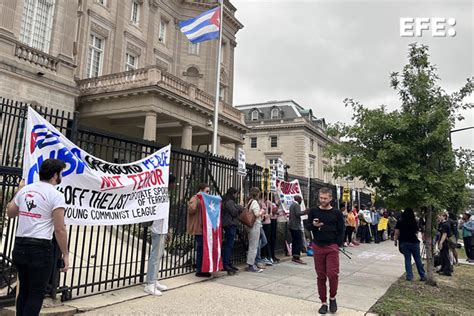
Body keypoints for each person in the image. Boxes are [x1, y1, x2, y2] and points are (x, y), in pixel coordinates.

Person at [6, 159, 69, 316]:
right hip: (40, 249)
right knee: (35, 294)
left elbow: (10, 212)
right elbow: (59, 229)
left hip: (20, 246)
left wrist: (18, 192)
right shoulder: (56, 195)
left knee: (24, 291)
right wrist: (65, 254)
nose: (61, 176)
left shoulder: (26, 190)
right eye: (61, 173)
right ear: (55, 175)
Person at [306, 187, 344, 314]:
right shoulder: (313, 211)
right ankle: (323, 302)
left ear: (330, 198)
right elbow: (308, 226)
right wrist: (314, 226)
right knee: (321, 276)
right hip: (318, 246)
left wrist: (337, 244)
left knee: (332, 274)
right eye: (321, 198)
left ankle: (332, 297)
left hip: (332, 246)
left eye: (325, 198)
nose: (322, 200)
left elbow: (341, 229)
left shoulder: (337, 213)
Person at [144, 174, 176, 295]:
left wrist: (167, 230)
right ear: (169, 183)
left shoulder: (165, 195)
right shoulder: (160, 194)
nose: (174, 186)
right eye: (173, 183)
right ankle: (150, 283)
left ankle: (153, 279)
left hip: (162, 229)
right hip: (157, 229)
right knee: (155, 257)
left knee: (158, 256)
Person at [393, 208, 426, 281]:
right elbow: (417, 231)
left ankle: (409, 276)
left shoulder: (400, 221)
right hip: (414, 242)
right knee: (417, 259)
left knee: (407, 259)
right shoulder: (414, 221)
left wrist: (395, 240)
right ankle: (422, 275)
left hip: (404, 242)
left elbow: (397, 232)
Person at [187, 183, 211, 277]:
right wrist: (198, 197)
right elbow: (191, 209)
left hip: (205, 228)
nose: (208, 193)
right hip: (199, 228)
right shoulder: (195, 198)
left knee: (204, 249)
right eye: (207, 191)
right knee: (201, 248)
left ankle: (203, 268)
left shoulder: (206, 199)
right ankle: (199, 269)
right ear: (201, 190)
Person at [221, 187, 242, 274]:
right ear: (233, 193)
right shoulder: (229, 202)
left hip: (230, 224)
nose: (237, 195)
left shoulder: (228, 201)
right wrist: (239, 207)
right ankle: (226, 263)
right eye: (236, 194)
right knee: (229, 245)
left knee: (229, 244)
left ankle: (228, 262)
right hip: (230, 224)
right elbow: (234, 212)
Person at [246, 187, 264, 273]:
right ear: (257, 194)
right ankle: (251, 264)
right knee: (254, 246)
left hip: (250, 225)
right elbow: (257, 214)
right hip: (255, 225)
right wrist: (262, 211)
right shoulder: (255, 202)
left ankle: (250, 263)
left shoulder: (249, 201)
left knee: (252, 245)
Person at [289, 195, 306, 264]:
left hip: (292, 226)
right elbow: (298, 213)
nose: (301, 201)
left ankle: (294, 256)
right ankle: (296, 257)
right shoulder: (296, 205)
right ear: (298, 199)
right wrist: (305, 212)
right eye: (301, 199)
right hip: (296, 226)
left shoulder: (292, 205)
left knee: (294, 241)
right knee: (298, 241)